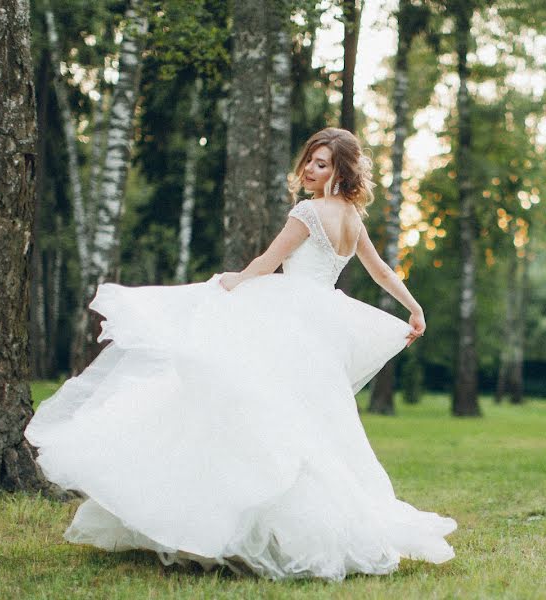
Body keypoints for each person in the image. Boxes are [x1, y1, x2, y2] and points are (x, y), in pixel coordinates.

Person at [25, 127, 457, 582]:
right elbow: (380, 269)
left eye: (322, 163)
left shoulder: (308, 212)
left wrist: (229, 283)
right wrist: (413, 306)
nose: (310, 169)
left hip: (290, 319)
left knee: (260, 416)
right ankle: (291, 531)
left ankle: (243, 527)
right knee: (305, 425)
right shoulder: (352, 218)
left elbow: (269, 262)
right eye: (310, 159)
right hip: (322, 329)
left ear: (341, 170)